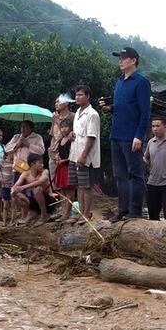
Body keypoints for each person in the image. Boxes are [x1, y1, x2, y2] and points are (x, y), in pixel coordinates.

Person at [100, 47, 151, 222]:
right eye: (119, 58)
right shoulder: (119, 82)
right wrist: (110, 108)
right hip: (116, 134)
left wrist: (139, 135)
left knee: (135, 174)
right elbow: (124, 108)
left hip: (131, 136)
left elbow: (145, 112)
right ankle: (122, 209)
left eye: (124, 58)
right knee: (119, 175)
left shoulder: (141, 82)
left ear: (134, 60)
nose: (120, 61)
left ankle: (135, 210)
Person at [69, 85, 100, 225]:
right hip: (74, 153)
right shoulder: (77, 113)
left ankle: (87, 214)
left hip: (85, 157)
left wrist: (83, 156)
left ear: (87, 96)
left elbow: (91, 137)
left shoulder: (92, 114)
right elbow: (78, 134)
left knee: (86, 187)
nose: (77, 97)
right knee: (79, 186)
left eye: (80, 95)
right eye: (76, 95)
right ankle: (81, 214)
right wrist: (70, 135)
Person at [2, 121, 44, 224]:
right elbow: (7, 149)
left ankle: (33, 214)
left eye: (25, 127)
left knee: (30, 193)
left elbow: (41, 151)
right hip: (17, 169)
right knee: (17, 194)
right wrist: (17, 144)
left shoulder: (37, 138)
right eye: (21, 127)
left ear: (31, 128)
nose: (22, 129)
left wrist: (28, 144)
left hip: (30, 171)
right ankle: (23, 215)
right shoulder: (16, 137)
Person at [12, 153, 55, 225]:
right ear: (32, 164)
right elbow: (15, 186)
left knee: (37, 189)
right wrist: (13, 190)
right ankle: (32, 213)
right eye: (40, 163)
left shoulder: (45, 171)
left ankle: (44, 215)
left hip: (49, 202)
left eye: (42, 163)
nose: (42, 165)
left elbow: (41, 181)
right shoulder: (26, 174)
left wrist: (23, 187)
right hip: (35, 201)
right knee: (15, 194)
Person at [52, 117, 75, 221]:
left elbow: (72, 155)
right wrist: (57, 158)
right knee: (63, 190)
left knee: (69, 190)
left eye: (66, 127)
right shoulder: (61, 139)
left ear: (70, 128)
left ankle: (68, 213)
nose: (64, 129)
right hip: (61, 167)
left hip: (68, 166)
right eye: (62, 127)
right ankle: (63, 211)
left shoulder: (71, 139)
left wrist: (63, 160)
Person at [49, 93, 76, 181]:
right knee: (54, 183)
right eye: (55, 102)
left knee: (65, 183)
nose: (55, 104)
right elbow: (53, 136)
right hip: (53, 155)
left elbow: (68, 136)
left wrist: (57, 122)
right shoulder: (55, 117)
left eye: (58, 101)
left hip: (65, 156)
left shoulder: (73, 116)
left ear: (67, 103)